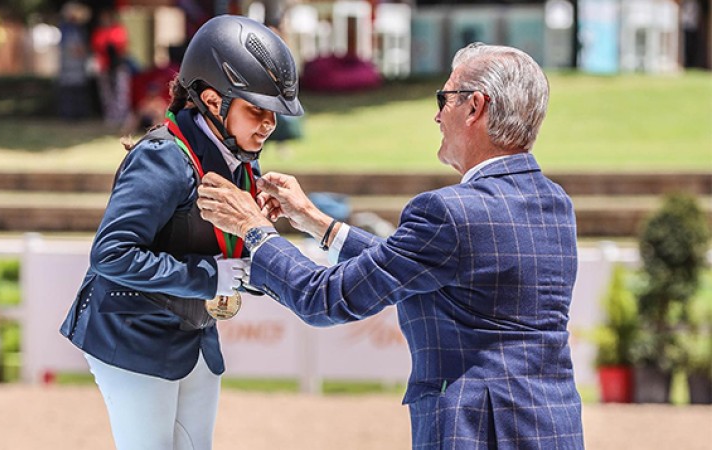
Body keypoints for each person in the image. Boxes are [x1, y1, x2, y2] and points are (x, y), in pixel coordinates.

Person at [197, 42, 584, 449]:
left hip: (474, 432)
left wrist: (254, 229)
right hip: (553, 427)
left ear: (475, 107)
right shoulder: (554, 203)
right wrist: (317, 223)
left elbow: (324, 299)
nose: (436, 114)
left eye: (445, 98)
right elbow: (424, 263)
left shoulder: (449, 213)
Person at [59, 15, 302, 450]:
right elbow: (111, 255)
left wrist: (257, 237)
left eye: (274, 114)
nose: (269, 124)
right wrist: (213, 275)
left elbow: (229, 257)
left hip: (194, 335)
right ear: (212, 100)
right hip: (130, 335)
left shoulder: (243, 162)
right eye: (257, 110)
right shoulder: (162, 158)